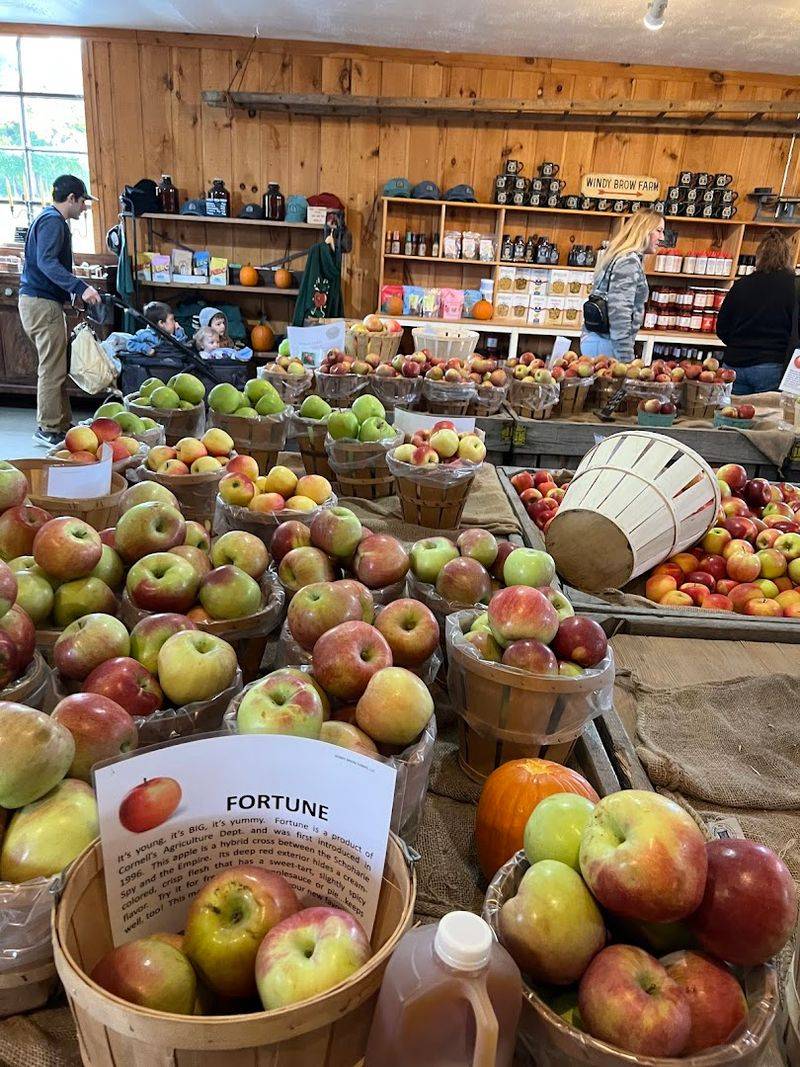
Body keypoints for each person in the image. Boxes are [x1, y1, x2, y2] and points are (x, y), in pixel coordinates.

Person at [19, 175, 103, 446]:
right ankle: (48, 428)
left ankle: (62, 423)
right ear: (71, 198)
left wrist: (70, 294)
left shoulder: (48, 219)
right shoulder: (53, 222)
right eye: (83, 201)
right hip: (41, 304)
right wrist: (79, 287)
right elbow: (46, 262)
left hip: (41, 301)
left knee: (57, 365)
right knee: (52, 368)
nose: (84, 207)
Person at [716, 230, 799, 395]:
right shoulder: (794, 286)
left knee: (730, 409)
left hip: (734, 364)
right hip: (772, 365)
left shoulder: (741, 284)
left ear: (759, 256)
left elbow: (722, 328)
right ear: (787, 257)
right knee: (766, 411)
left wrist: (739, 345)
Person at [581, 209, 665, 363]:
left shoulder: (619, 255)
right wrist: (626, 356)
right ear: (643, 230)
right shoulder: (628, 262)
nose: (662, 237)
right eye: (658, 231)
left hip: (598, 338)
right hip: (609, 343)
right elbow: (620, 311)